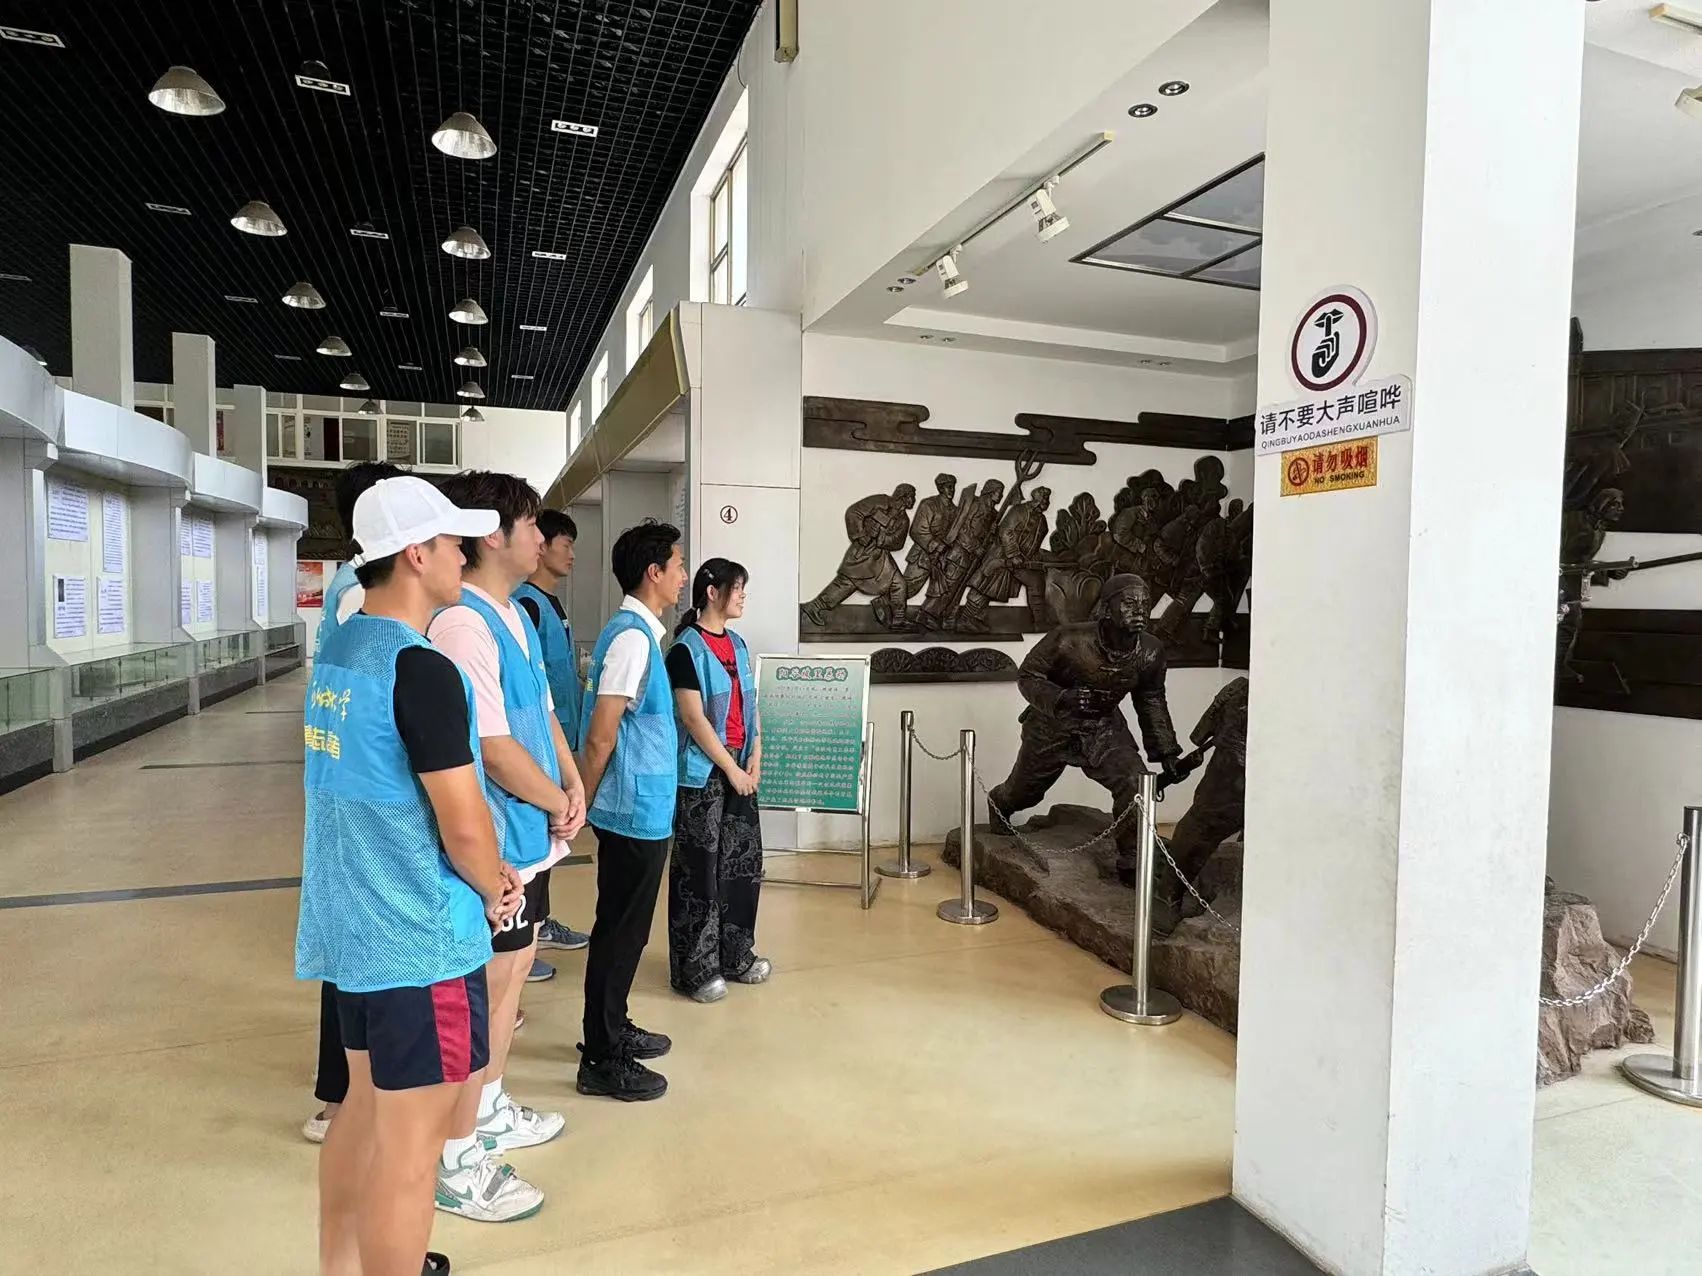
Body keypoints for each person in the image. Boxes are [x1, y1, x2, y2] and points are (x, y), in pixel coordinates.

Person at [296, 475, 524, 1276]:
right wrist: (496, 882)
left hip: (357, 929)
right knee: (413, 1149)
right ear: (416, 554)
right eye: (454, 542)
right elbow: (462, 824)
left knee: (362, 1115)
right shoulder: (421, 670)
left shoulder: (342, 650)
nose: (466, 554)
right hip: (419, 941)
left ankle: (340, 1268)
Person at [427, 471, 586, 1218]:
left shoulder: (515, 614)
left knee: (515, 969)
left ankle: (488, 1105)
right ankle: (457, 1147)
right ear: (494, 534)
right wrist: (557, 799)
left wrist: (571, 781)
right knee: (486, 987)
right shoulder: (463, 625)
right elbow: (489, 747)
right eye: (533, 527)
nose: (543, 540)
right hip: (498, 839)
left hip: (532, 831)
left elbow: (542, 712)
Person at [304, 459, 404, 1145]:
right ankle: (340, 1100)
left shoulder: (354, 588)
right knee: (355, 957)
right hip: (362, 798)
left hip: (354, 790)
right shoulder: (359, 600)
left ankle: (351, 1096)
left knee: (357, 948)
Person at [576, 519, 687, 1100]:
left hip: (643, 807)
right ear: (654, 572)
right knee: (620, 933)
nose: (683, 576)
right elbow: (601, 736)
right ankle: (601, 1055)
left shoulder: (640, 634)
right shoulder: (631, 640)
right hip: (629, 810)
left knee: (629, 930)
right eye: (678, 566)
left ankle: (613, 1026)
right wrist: (580, 802)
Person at [663, 559, 769, 1003]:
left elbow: (751, 704)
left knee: (742, 867)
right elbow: (693, 718)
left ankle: (736, 955)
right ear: (713, 592)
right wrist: (731, 769)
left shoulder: (738, 644)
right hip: (704, 775)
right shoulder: (685, 649)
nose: (742, 595)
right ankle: (696, 969)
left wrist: (756, 755)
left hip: (741, 770)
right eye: (737, 587)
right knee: (699, 872)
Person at [512, 509, 592, 975]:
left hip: (556, 739)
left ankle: (539, 924)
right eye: (566, 544)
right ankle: (526, 935)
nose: (571, 554)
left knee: (550, 845)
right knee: (534, 843)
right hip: (534, 747)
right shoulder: (525, 605)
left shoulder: (548, 603)